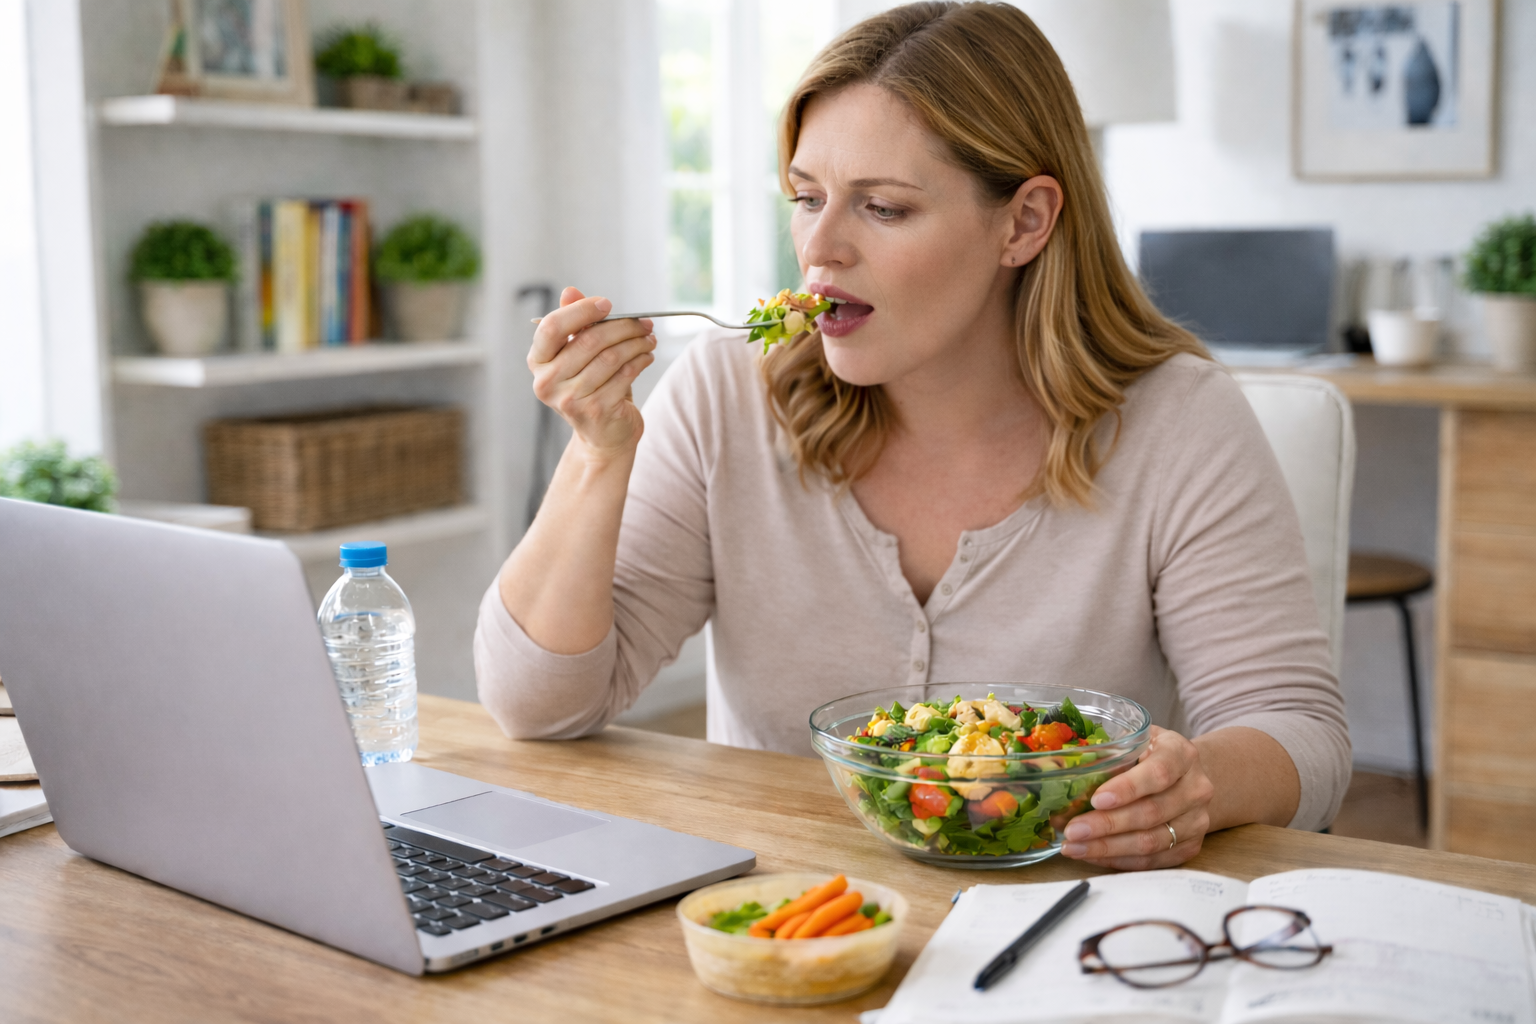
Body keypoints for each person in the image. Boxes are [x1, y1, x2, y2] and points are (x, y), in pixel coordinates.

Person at [475, 1, 1349, 870]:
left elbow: (1300, 735)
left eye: (883, 209)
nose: (818, 249)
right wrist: (597, 454)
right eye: (806, 198)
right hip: (786, 928)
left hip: (1058, 926)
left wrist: (1196, 782)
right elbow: (537, 706)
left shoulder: (1177, 421)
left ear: (1025, 222)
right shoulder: (723, 395)